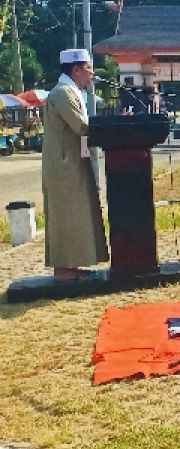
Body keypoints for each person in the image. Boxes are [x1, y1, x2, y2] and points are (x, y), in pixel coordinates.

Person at [42, 48, 108, 280]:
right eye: (89, 68)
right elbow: (81, 127)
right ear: (76, 69)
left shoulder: (71, 91)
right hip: (64, 167)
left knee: (77, 215)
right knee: (67, 216)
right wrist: (113, 128)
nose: (92, 73)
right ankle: (63, 269)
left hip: (72, 165)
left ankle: (73, 266)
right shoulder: (63, 94)